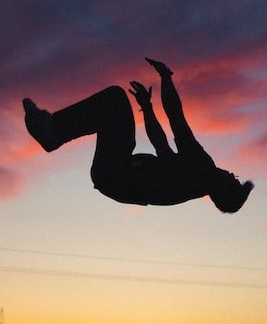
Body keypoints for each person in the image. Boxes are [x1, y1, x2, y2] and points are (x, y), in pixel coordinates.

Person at [24, 58, 253, 213]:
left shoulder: (201, 172)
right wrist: (147, 108)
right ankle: (54, 131)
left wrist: (166, 77)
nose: (232, 174)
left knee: (114, 100)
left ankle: (53, 131)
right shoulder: (194, 181)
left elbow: (176, 117)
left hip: (117, 174)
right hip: (113, 176)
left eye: (233, 181)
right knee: (112, 108)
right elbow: (161, 145)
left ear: (222, 190)